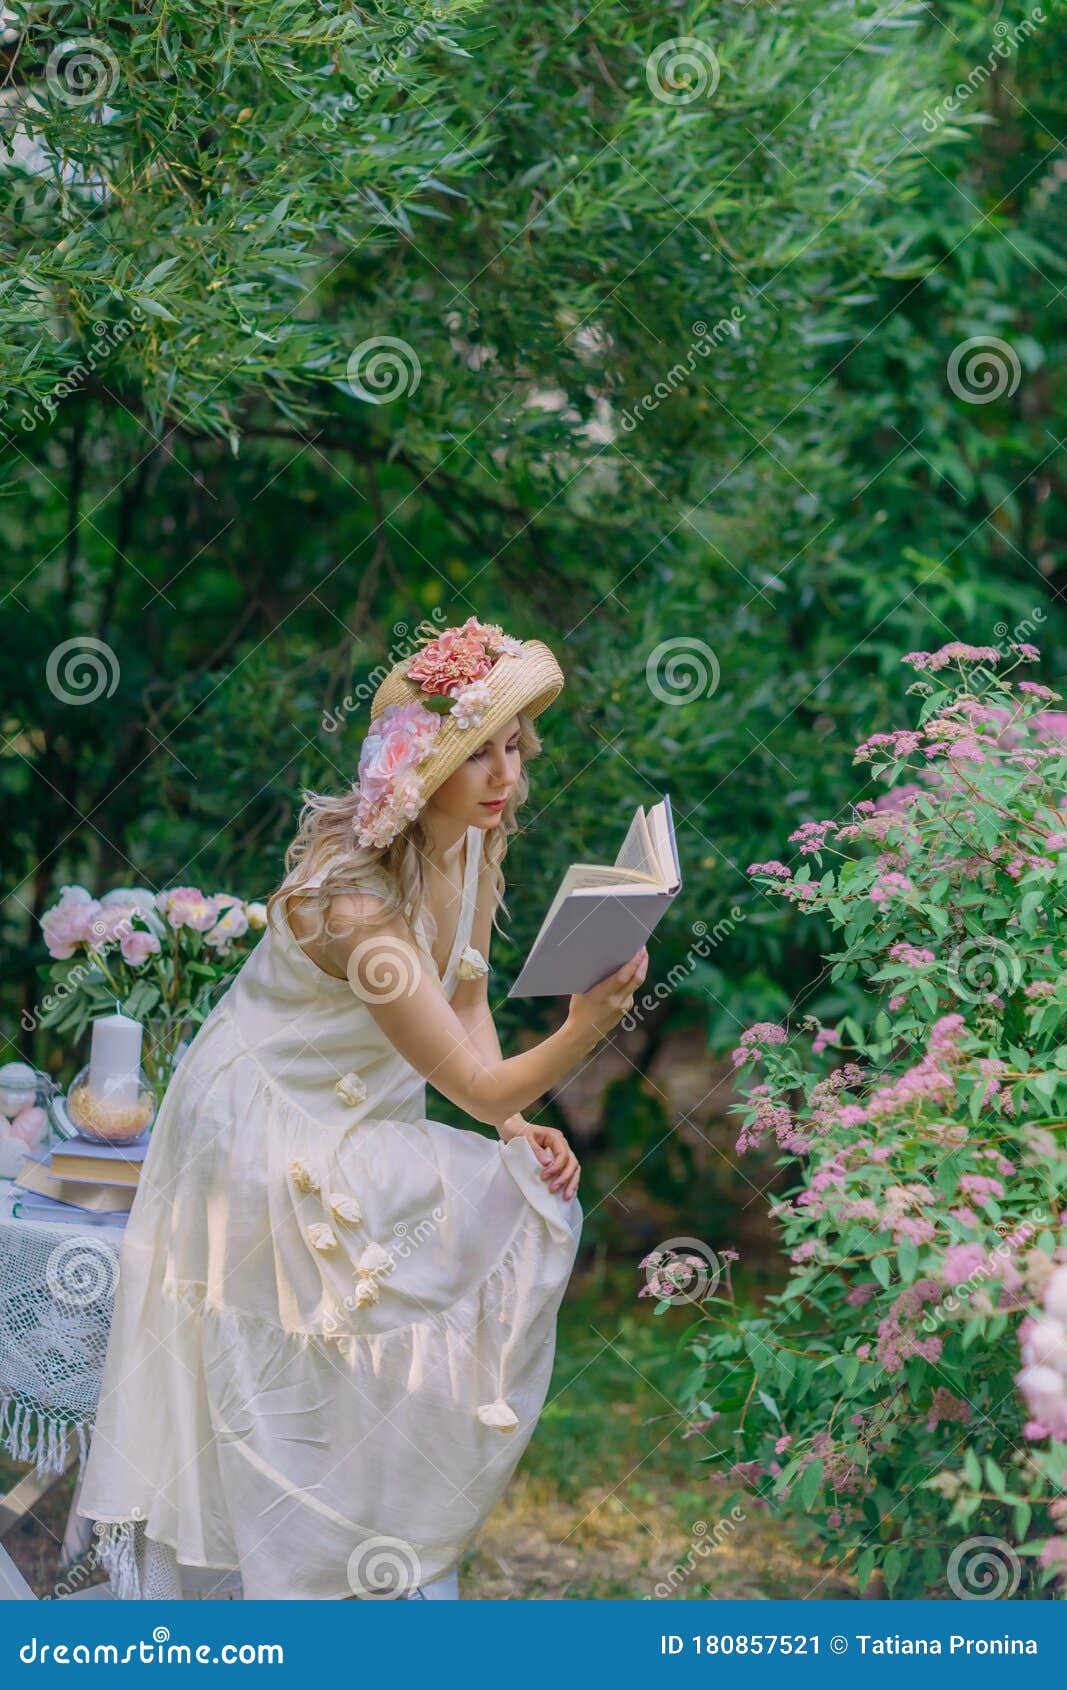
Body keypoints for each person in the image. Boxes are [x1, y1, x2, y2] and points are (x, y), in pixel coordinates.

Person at [75, 614, 648, 1600]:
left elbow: (465, 1003)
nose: (505, 773)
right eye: (480, 752)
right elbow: (465, 1083)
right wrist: (584, 1027)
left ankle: (356, 1562)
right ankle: (262, 1586)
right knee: (286, 1348)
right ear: (422, 763)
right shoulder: (354, 908)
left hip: (356, 1115)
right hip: (266, 1123)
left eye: (515, 747)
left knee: (502, 1195)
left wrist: (516, 1123)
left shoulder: (465, 844)